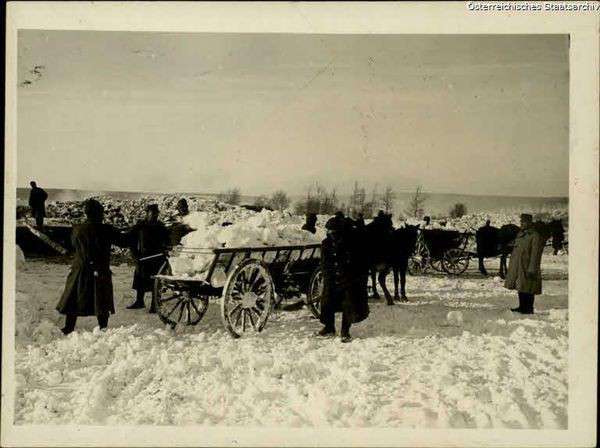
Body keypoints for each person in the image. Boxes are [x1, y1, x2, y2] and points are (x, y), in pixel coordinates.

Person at [56, 199, 128, 334]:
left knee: (74, 298)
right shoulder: (107, 229)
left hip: (80, 269)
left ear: (86, 214)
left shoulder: (77, 229)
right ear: (99, 214)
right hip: (100, 270)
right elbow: (124, 242)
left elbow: (73, 245)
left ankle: (69, 327)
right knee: (101, 299)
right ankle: (103, 328)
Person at [316, 213, 369, 343]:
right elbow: (324, 263)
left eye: (333, 231)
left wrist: (347, 276)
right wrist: (330, 275)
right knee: (327, 302)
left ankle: (345, 330)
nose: (330, 233)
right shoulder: (326, 244)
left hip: (348, 279)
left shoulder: (350, 243)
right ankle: (329, 327)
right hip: (332, 278)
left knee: (348, 303)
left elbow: (356, 263)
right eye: (329, 231)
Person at [127, 204, 169, 312]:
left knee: (155, 282)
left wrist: (165, 250)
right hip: (143, 258)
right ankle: (139, 301)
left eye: (156, 214)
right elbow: (131, 239)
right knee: (140, 279)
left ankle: (155, 305)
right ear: (147, 214)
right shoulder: (140, 225)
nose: (154, 216)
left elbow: (167, 241)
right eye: (151, 213)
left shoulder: (161, 226)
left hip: (157, 259)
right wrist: (135, 254)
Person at [504, 213, 545, 314]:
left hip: (528, 266)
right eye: (521, 221)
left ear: (529, 222)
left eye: (524, 222)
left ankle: (528, 309)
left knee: (529, 288)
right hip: (519, 266)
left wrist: (532, 268)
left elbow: (535, 254)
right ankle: (522, 307)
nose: (521, 223)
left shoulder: (535, 235)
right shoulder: (521, 234)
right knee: (521, 286)